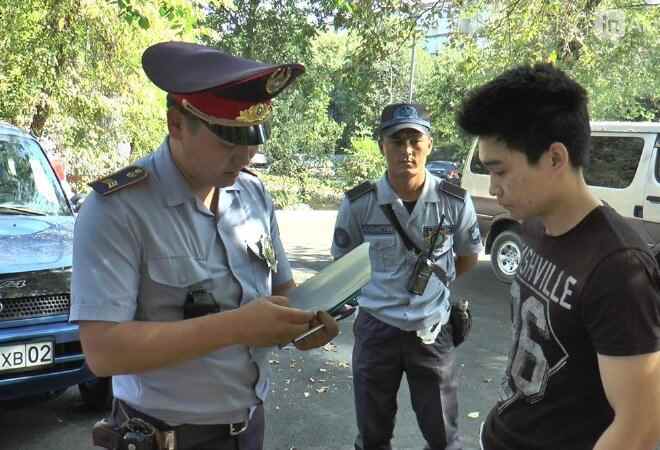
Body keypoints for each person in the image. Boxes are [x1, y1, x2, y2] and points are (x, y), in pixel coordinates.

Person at [70, 41, 339, 450]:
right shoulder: (118, 209)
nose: (245, 156)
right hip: (163, 436)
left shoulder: (252, 195)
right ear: (176, 124)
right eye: (228, 142)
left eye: (253, 140)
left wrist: (305, 325)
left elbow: (283, 293)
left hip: (248, 427)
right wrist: (235, 327)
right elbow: (103, 351)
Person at [456, 63, 660, 450]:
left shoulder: (619, 268)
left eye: (500, 171)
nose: (493, 187)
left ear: (554, 158)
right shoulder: (533, 225)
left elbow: (641, 428)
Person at [331, 102, 483, 450]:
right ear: (382, 145)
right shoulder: (359, 204)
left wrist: (433, 287)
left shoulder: (454, 202)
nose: (407, 151)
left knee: (443, 435)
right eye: (397, 141)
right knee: (372, 434)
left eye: (415, 140)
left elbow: (468, 257)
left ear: (429, 144)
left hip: (431, 329)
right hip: (376, 329)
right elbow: (343, 265)